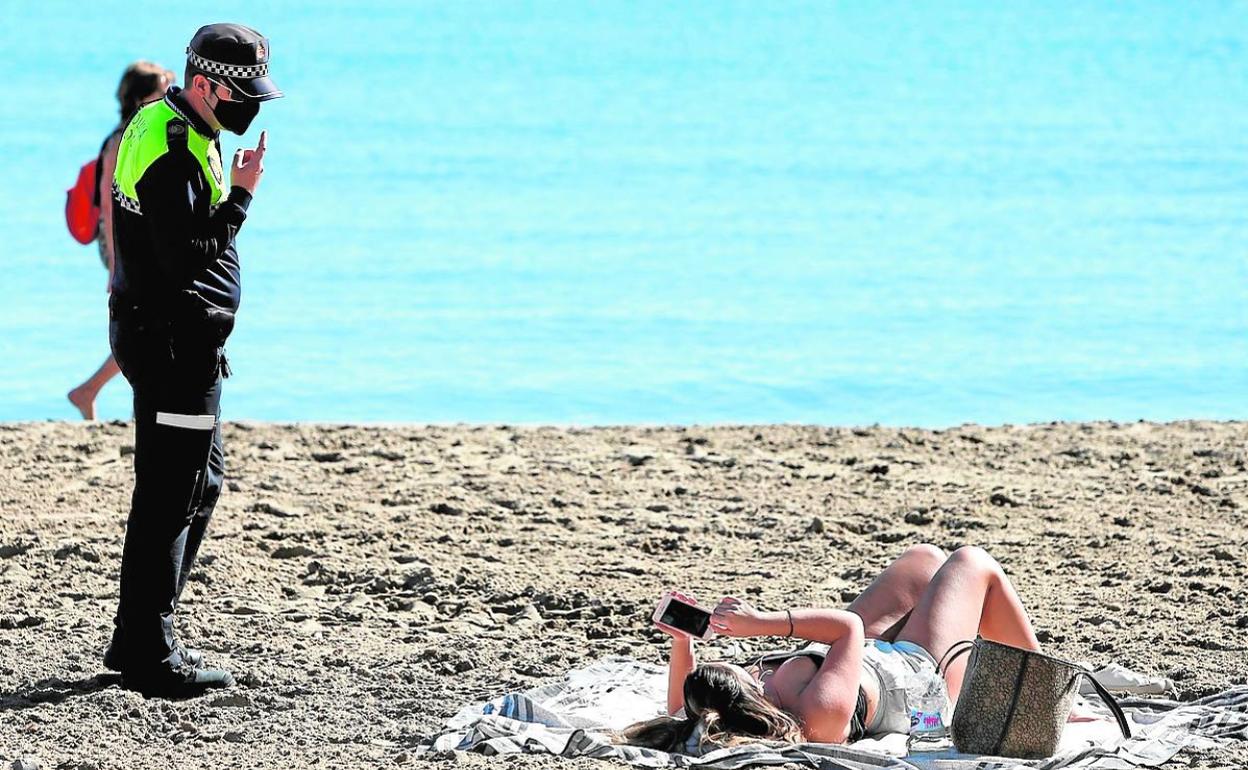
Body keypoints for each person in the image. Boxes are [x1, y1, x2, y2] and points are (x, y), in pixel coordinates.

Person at [103, 23, 282, 697]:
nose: (251, 108)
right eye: (243, 94)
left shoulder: (175, 124)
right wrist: (242, 195)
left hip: (180, 342)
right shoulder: (173, 146)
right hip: (172, 345)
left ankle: (140, 632)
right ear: (205, 84)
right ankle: (151, 650)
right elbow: (186, 254)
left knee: (198, 485)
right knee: (170, 496)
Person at [623, 545, 1053, 751]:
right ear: (747, 697)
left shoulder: (729, 708)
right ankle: (1048, 693)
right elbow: (848, 627)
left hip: (862, 658)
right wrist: (760, 624)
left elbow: (682, 707)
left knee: (923, 561)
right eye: (745, 676)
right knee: (971, 563)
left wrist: (683, 642)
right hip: (914, 678)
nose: (752, 670)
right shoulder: (817, 716)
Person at [67, 62, 176, 420]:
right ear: (140, 96)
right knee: (147, 329)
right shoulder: (121, 138)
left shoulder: (144, 131)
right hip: (123, 246)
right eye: (161, 90)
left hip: (140, 246)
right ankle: (91, 391)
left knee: (154, 328)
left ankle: (99, 393)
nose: (168, 96)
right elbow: (111, 207)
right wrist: (116, 264)